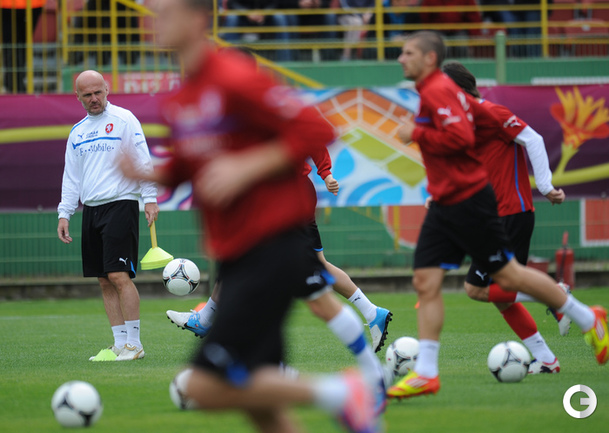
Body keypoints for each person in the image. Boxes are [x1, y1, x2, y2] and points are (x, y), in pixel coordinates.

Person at [124, 1, 380, 432]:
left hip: (269, 245)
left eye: (165, 12)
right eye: (151, 12)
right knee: (260, 405)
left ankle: (344, 392)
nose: (153, 22)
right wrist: (149, 173)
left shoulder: (234, 76)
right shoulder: (181, 98)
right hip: (236, 250)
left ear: (197, 20)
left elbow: (316, 130)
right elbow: (190, 165)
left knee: (203, 387)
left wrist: (249, 166)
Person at [386, 31, 608, 400]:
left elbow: (460, 139)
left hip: (473, 205)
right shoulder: (435, 96)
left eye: (407, 52)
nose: (400, 58)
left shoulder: (443, 93)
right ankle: (426, 373)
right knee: (428, 282)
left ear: (429, 59)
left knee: (504, 279)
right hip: (448, 205)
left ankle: (584, 316)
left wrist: (418, 133)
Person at [167, 141, 394, 353]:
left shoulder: (267, 116)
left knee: (257, 261)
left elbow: (311, 137)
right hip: (274, 197)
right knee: (306, 265)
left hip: (287, 198)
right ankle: (371, 314)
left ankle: (209, 320)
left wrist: (326, 173)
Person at [442, 60, 568, 374]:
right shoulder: (464, 124)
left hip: (510, 215)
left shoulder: (491, 113)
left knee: (476, 288)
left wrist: (545, 186)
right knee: (502, 297)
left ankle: (555, 296)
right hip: (493, 218)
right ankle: (547, 360)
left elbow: (534, 139)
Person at [57, 70, 159, 362]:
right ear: (78, 97)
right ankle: (119, 344)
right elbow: (71, 177)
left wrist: (150, 198)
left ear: (107, 89)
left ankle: (135, 345)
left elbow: (142, 159)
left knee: (118, 275)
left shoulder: (125, 119)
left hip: (120, 204)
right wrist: (64, 213)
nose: (94, 99)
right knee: (103, 279)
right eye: (87, 95)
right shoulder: (77, 132)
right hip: (91, 209)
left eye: (98, 92)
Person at [1, 0, 46, 93]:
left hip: (31, 5)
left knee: (18, 45)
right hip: (7, 5)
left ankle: (14, 83)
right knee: (14, 45)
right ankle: (14, 84)